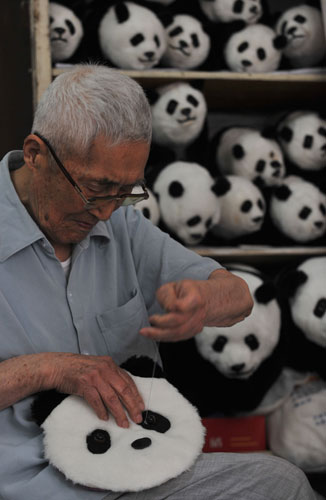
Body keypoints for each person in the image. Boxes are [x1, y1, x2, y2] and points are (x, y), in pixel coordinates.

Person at [0, 64, 317, 500]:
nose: (107, 213)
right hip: (27, 487)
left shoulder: (121, 225)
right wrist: (52, 369)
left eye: (126, 191)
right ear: (35, 154)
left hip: (141, 470)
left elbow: (239, 297)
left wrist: (203, 301)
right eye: (96, 189)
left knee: (282, 483)